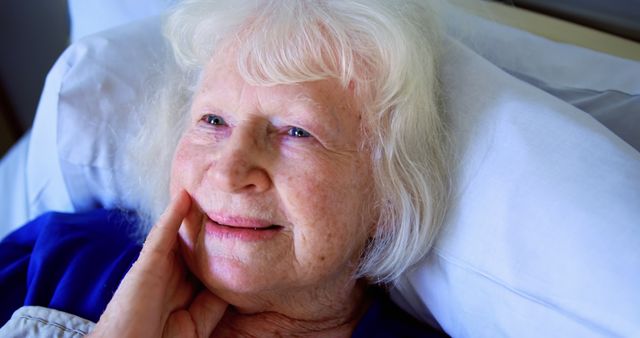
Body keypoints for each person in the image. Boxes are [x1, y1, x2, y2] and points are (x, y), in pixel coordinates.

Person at [0, 0, 450, 336]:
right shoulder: (63, 256)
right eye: (213, 121)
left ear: (389, 195)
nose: (230, 172)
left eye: (296, 131)